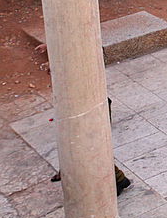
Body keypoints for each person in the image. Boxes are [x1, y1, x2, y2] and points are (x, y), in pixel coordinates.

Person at [36, 44, 131, 196]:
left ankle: (119, 180)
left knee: (94, 150)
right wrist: (50, 49)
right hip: (86, 108)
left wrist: (54, 65)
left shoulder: (82, 69)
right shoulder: (74, 68)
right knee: (85, 147)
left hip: (94, 109)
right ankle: (117, 178)